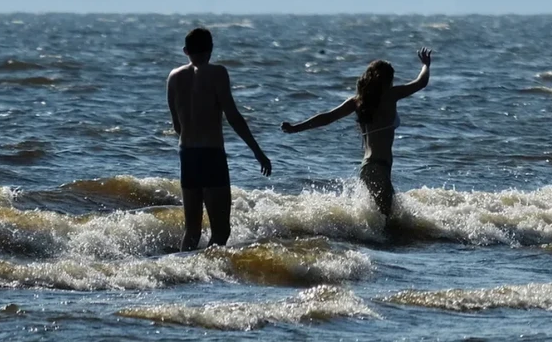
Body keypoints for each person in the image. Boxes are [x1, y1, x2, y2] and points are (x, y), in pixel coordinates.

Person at [281, 48, 432, 223]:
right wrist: (426, 65)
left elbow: (327, 117)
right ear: (387, 80)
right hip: (379, 168)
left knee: (384, 220)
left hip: (368, 168)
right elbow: (421, 82)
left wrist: (296, 128)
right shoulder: (391, 95)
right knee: (387, 222)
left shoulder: (357, 101)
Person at [167, 27, 272, 251]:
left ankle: (186, 275)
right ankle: (209, 274)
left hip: (187, 155)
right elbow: (233, 116)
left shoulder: (173, 77)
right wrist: (257, 151)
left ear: (185, 51)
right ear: (211, 49)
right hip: (211, 155)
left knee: (192, 231)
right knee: (221, 230)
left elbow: (177, 124)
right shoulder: (218, 73)